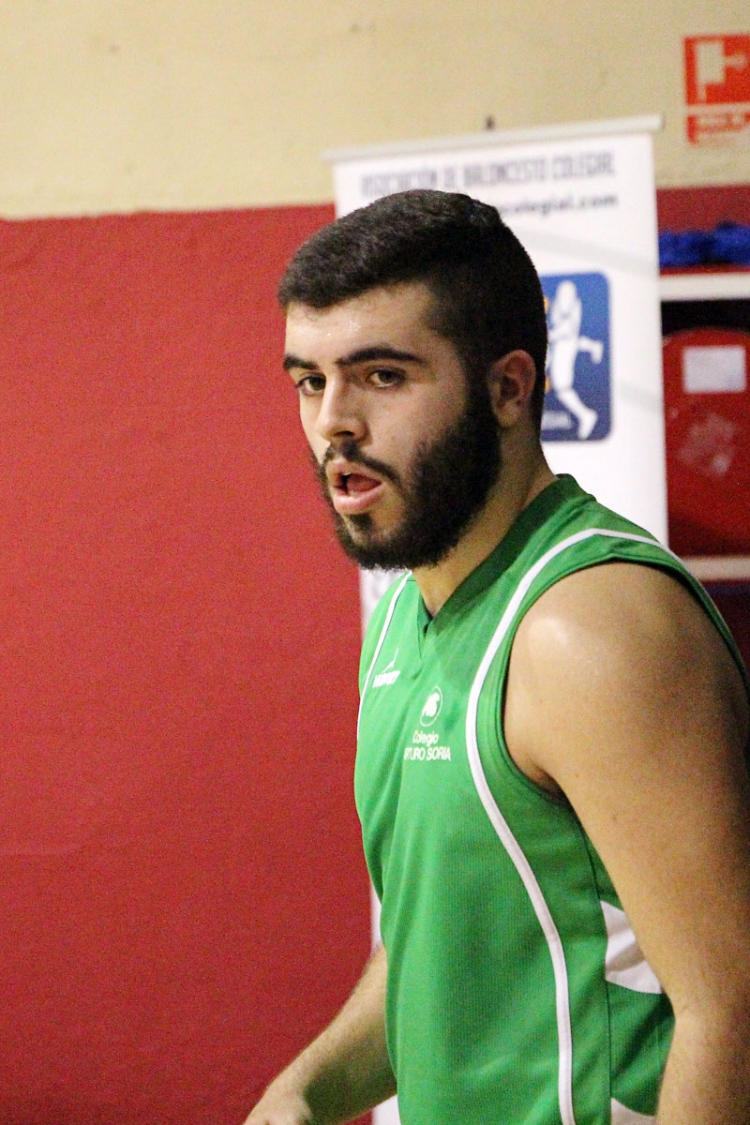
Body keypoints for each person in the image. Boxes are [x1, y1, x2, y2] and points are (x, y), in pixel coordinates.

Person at [246, 190, 750, 1125]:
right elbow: (439, 947)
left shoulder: (586, 628)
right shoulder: (406, 617)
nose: (335, 423)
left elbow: (732, 1009)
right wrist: (306, 1088)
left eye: (382, 376)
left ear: (509, 388)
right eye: (310, 381)